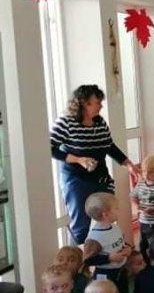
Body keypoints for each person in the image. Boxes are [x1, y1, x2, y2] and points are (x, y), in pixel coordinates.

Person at [49, 84, 138, 243]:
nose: (101, 106)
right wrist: (78, 159)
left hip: (101, 178)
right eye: (97, 102)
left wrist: (129, 164)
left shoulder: (100, 122)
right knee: (81, 225)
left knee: (108, 216)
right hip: (76, 180)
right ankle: (79, 257)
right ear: (84, 103)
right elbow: (49, 148)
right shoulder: (65, 123)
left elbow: (109, 146)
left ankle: (108, 252)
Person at [84, 192, 131, 293]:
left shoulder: (115, 228)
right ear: (105, 214)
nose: (119, 210)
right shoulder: (95, 237)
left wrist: (127, 248)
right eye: (116, 208)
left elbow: (119, 243)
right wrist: (109, 258)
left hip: (120, 270)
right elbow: (88, 260)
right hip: (105, 275)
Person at [131, 154, 154, 264]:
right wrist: (137, 207)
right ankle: (145, 264)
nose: (146, 174)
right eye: (144, 171)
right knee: (142, 245)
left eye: (150, 172)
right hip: (143, 222)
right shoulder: (140, 185)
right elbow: (133, 196)